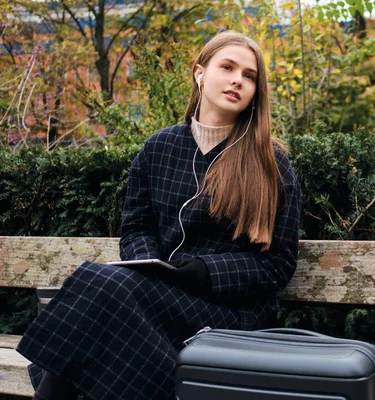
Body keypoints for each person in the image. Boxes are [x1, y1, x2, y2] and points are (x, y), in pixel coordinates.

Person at [16, 31, 302, 400]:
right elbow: (136, 227)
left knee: (100, 287)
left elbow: (278, 263)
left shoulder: (270, 162)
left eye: (249, 76)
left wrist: (205, 272)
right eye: (227, 67)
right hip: (157, 295)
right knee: (108, 294)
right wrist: (149, 268)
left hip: (228, 312)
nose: (237, 80)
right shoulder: (160, 147)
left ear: (255, 91)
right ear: (200, 74)